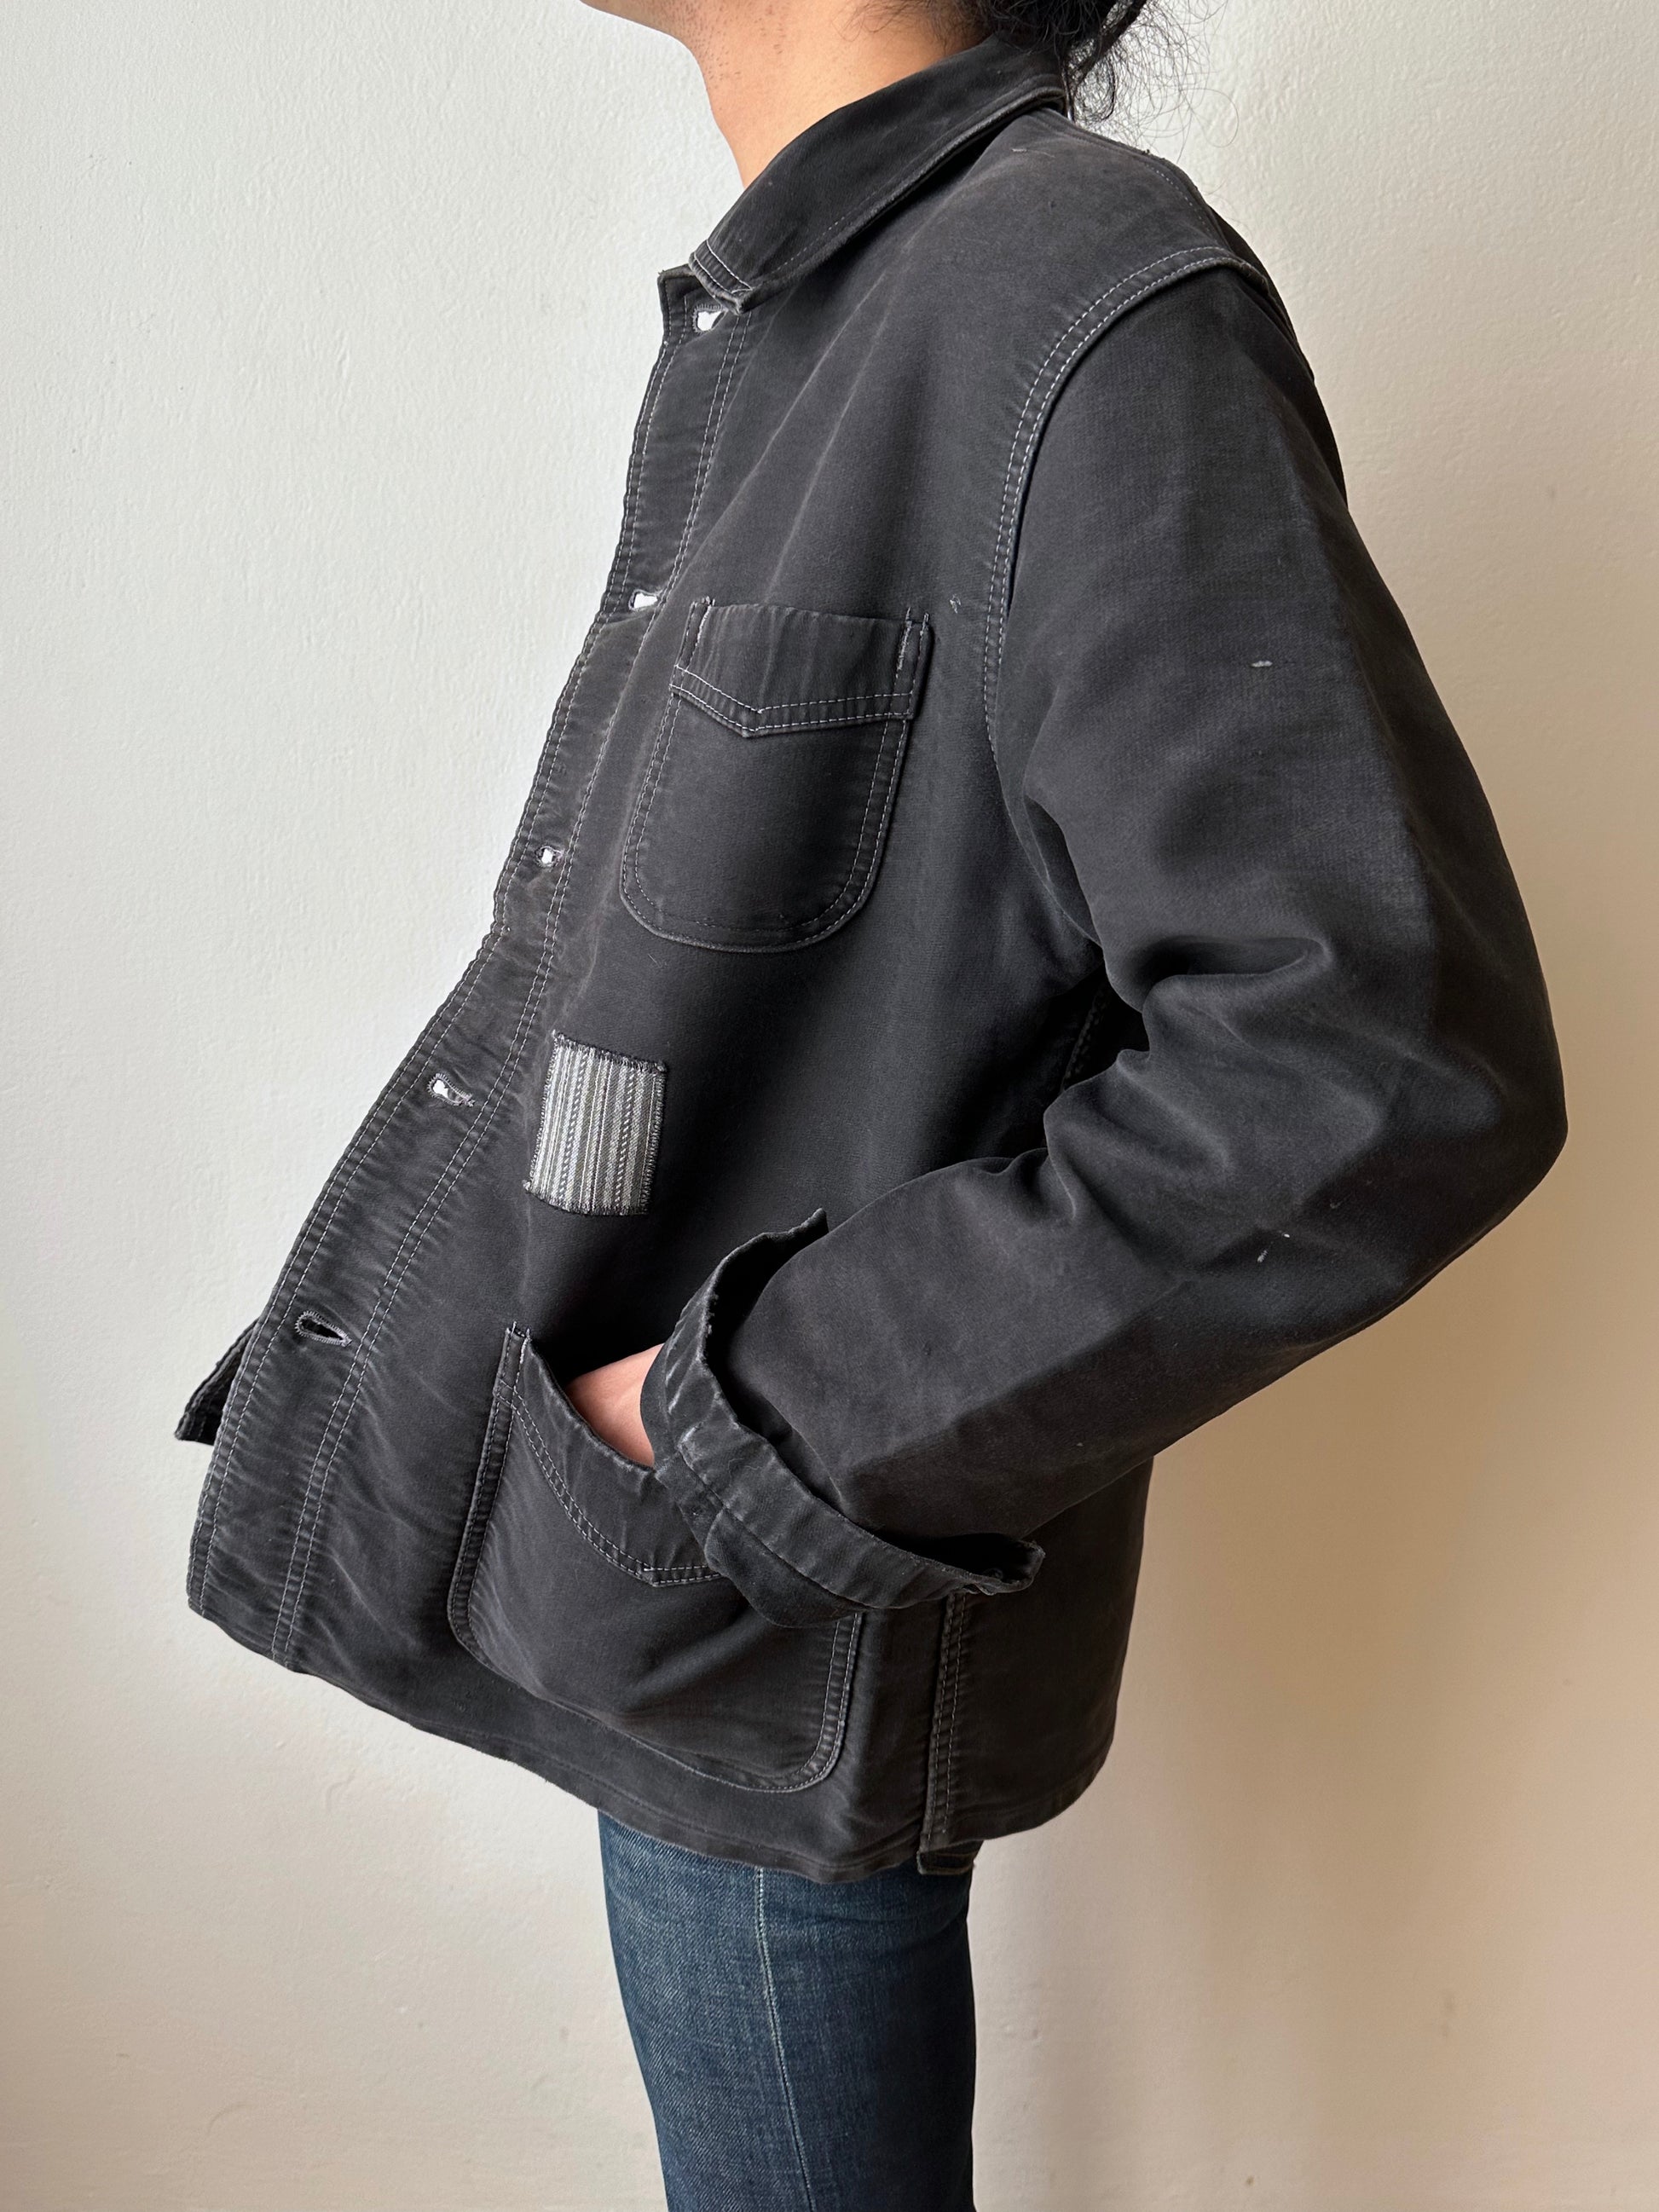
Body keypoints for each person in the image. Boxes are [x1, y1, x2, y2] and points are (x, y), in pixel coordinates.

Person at [176, 0, 1567, 2203]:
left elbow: (1373, 1055)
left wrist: (745, 1411)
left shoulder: (1074, 300)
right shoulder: (834, 312)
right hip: (676, 1605)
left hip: (765, 1611)